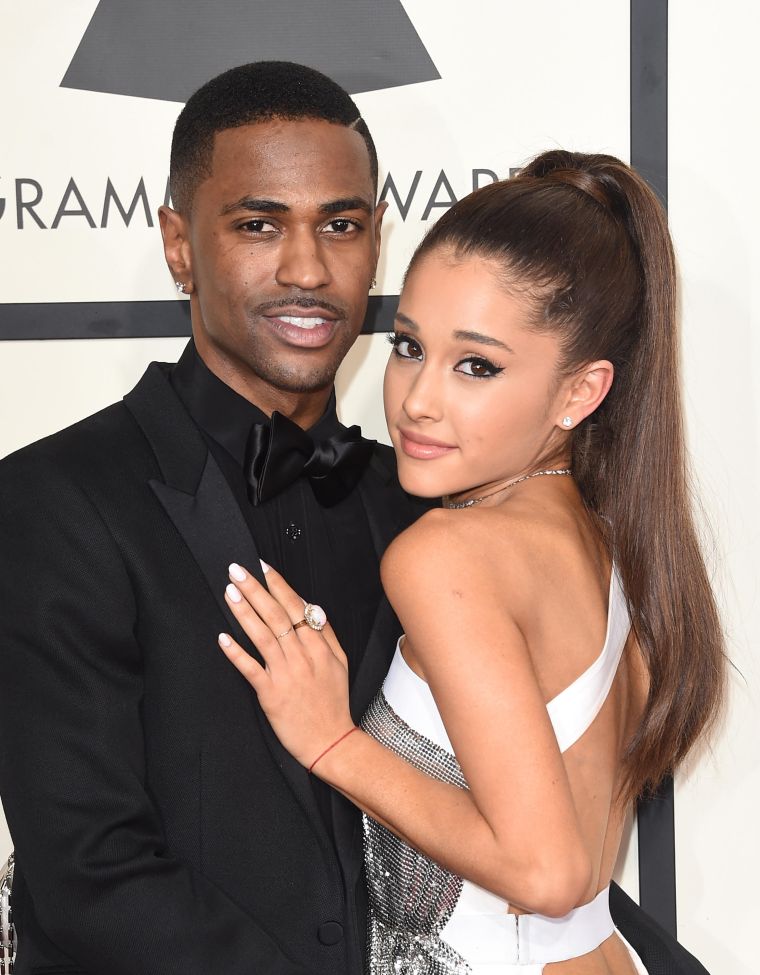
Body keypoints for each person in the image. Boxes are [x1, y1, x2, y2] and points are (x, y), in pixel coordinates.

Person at [214, 151, 725, 974]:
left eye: (477, 366)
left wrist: (332, 740)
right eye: (410, 346)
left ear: (580, 392)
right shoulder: (609, 541)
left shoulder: (446, 553)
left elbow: (548, 872)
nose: (418, 398)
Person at [0, 60, 424, 975]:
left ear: (378, 242)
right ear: (180, 244)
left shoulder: (419, 503)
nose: (308, 269)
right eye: (258, 224)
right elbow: (91, 874)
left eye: (340, 225)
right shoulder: (52, 500)